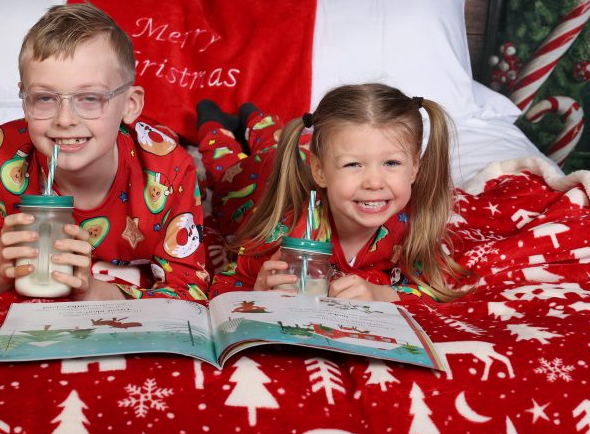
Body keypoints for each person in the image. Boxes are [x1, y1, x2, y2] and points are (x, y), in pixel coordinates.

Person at [0, 2, 209, 301]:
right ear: (24, 101)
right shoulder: (1, 155)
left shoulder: (171, 172)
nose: (65, 119)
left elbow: (189, 288)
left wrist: (91, 290)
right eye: (45, 98)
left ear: (129, 105)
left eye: (89, 98)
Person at [197, 83, 470, 302]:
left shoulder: (414, 223)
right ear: (320, 172)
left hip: (308, 154)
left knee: (275, 137)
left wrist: (382, 293)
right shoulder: (289, 232)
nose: (374, 182)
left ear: (414, 169)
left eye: (391, 163)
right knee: (227, 165)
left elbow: (433, 288)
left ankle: (253, 116)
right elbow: (224, 283)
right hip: (249, 183)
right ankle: (212, 119)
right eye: (354, 164)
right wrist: (258, 290)